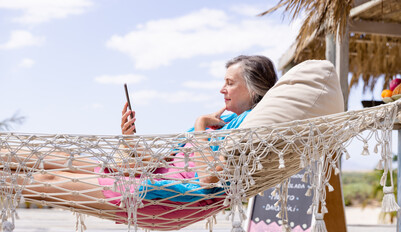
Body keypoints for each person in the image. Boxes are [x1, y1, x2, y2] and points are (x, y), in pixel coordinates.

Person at [2, 55, 277, 212]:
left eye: (230, 83)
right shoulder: (224, 120)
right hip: (144, 175)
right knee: (58, 157)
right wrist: (130, 140)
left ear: (253, 89)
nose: (222, 89)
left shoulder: (247, 127)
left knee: (47, 178)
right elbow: (162, 163)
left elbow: (206, 180)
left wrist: (200, 126)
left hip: (158, 194)